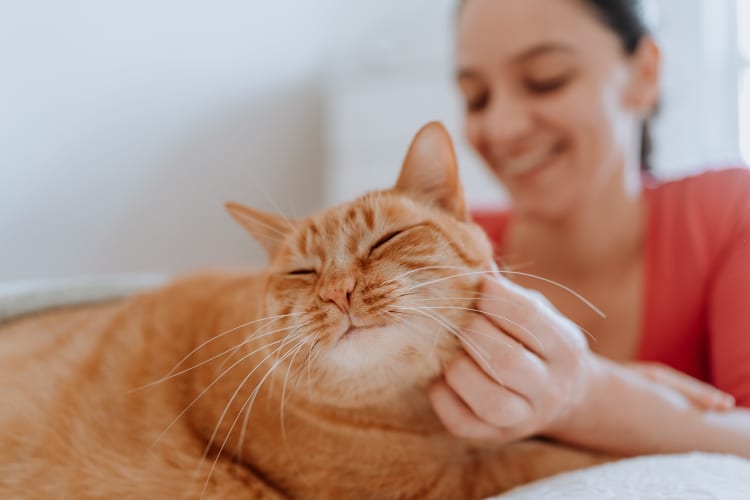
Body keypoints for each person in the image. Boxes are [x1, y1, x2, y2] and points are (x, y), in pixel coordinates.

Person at [428, 0, 750, 458]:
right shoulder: (448, 247)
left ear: (644, 75)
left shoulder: (728, 213)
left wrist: (589, 398)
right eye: (476, 97)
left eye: (546, 79)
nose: (502, 126)